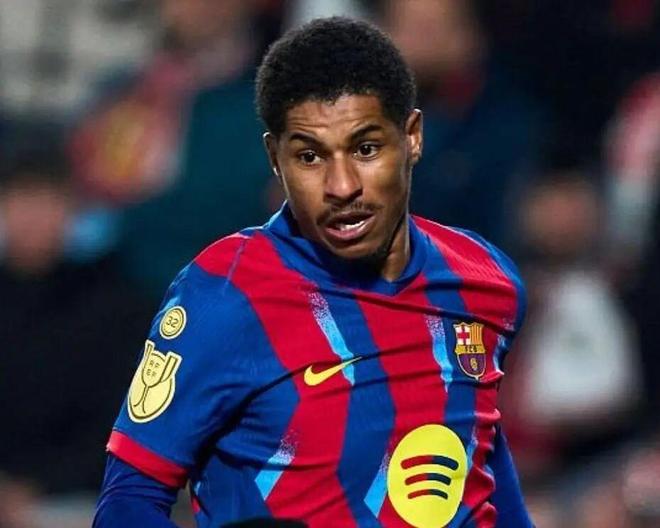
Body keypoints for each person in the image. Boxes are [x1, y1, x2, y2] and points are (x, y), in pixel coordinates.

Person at [93, 17, 532, 527]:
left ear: (412, 137)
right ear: (274, 159)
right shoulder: (224, 296)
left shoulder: (486, 281)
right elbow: (127, 502)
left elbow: (484, 470)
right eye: (309, 156)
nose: (341, 185)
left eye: (366, 149)